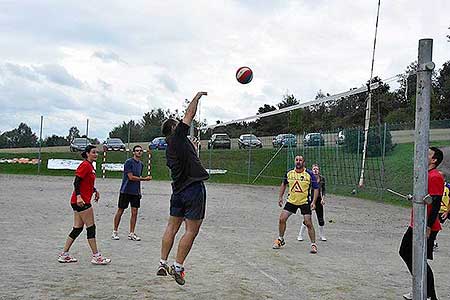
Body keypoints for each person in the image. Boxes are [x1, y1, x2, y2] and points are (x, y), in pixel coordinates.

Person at [156, 91, 209, 285]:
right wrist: (196, 98)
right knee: (191, 230)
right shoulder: (178, 136)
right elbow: (189, 115)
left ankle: (162, 263)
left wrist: (193, 151)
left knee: (172, 226)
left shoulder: (171, 147)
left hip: (178, 191)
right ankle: (178, 267)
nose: (181, 124)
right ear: (173, 128)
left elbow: (189, 162)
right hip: (192, 190)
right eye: (178, 124)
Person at [399, 147, 444, 300]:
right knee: (406, 253)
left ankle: (430, 295)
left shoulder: (435, 176)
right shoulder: (426, 175)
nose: (424, 154)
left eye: (428, 153)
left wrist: (429, 226)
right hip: (417, 223)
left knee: (419, 259)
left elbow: (436, 203)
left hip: (426, 225)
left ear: (434, 160)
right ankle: (420, 288)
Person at [58, 145, 111, 265]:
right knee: (91, 228)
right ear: (87, 153)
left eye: (97, 152)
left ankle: (64, 254)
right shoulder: (85, 165)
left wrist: (94, 190)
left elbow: (87, 182)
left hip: (79, 201)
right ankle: (96, 256)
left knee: (77, 228)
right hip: (81, 202)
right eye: (93, 152)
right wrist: (78, 196)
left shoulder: (90, 166)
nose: (96, 154)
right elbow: (76, 181)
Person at [273, 155, 319, 254]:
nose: (298, 162)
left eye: (300, 160)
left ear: (304, 162)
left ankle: (313, 244)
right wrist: (280, 197)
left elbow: (316, 188)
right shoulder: (289, 173)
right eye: (297, 160)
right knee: (282, 219)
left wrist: (314, 202)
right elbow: (283, 184)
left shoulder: (309, 174)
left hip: (304, 202)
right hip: (291, 201)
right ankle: (280, 239)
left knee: (308, 223)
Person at [112, 145, 152, 241]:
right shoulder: (129, 162)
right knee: (120, 210)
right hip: (126, 190)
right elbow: (131, 177)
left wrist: (139, 191)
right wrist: (144, 179)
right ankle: (115, 231)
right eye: (137, 151)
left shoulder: (141, 164)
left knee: (134, 212)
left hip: (135, 192)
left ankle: (131, 233)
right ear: (133, 152)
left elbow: (137, 178)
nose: (139, 152)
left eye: (140, 151)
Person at [298, 163, 327, 241]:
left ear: (319, 170)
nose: (315, 170)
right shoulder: (309, 178)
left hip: (318, 200)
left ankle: (321, 235)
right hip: (310, 200)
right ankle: (300, 235)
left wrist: (323, 199)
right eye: (314, 169)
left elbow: (323, 190)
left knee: (320, 218)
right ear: (311, 170)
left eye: (317, 169)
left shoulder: (322, 179)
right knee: (307, 219)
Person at [433, 176, 449, 251]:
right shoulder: (435, 185)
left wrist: (447, 211)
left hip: (445, 210)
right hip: (436, 210)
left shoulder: (448, 187)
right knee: (434, 225)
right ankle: (433, 242)